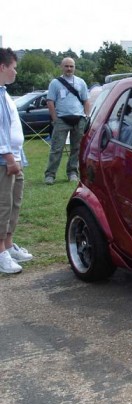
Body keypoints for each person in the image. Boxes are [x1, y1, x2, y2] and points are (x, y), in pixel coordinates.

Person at [0, 48, 33, 274]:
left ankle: (9, 244)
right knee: (3, 205)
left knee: (14, 202)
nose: (16, 72)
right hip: (5, 160)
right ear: (2, 67)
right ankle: (0, 251)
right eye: (14, 67)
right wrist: (9, 157)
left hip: (15, 156)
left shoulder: (4, 93)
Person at [44, 57, 90, 184]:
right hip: (61, 120)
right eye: (66, 66)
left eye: (71, 66)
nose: (69, 69)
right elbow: (50, 101)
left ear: (74, 67)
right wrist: (55, 119)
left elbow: (86, 100)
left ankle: (72, 173)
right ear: (61, 67)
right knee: (56, 148)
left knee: (76, 148)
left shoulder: (81, 82)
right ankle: (50, 175)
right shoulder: (55, 83)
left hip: (79, 119)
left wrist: (86, 116)